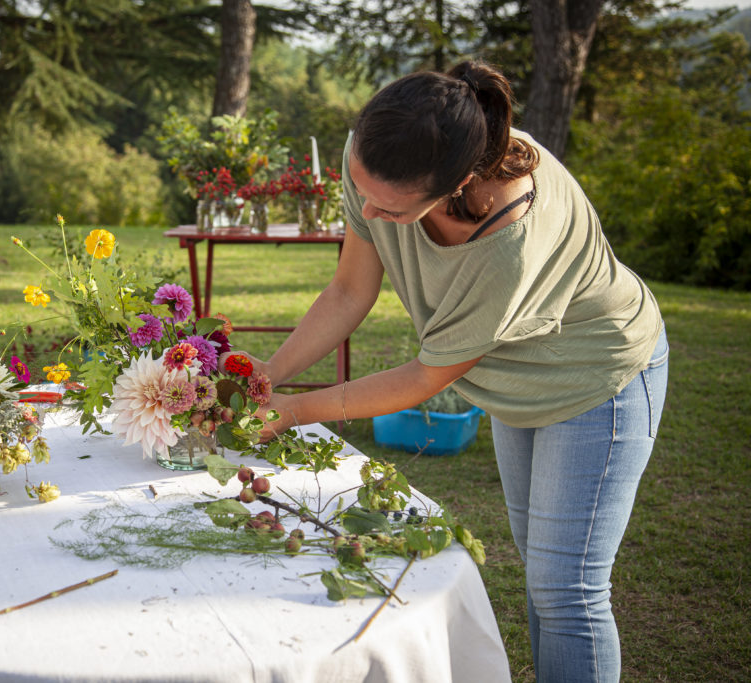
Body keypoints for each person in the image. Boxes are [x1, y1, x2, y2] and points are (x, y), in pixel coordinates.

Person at [228, 60, 668, 682]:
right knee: (543, 576)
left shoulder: (509, 237)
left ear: (459, 182)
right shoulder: (378, 157)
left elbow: (425, 378)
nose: (370, 214)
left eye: (393, 211)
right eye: (362, 192)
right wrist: (269, 375)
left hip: (595, 376)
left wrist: (296, 409)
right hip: (513, 383)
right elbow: (350, 291)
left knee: (566, 589)